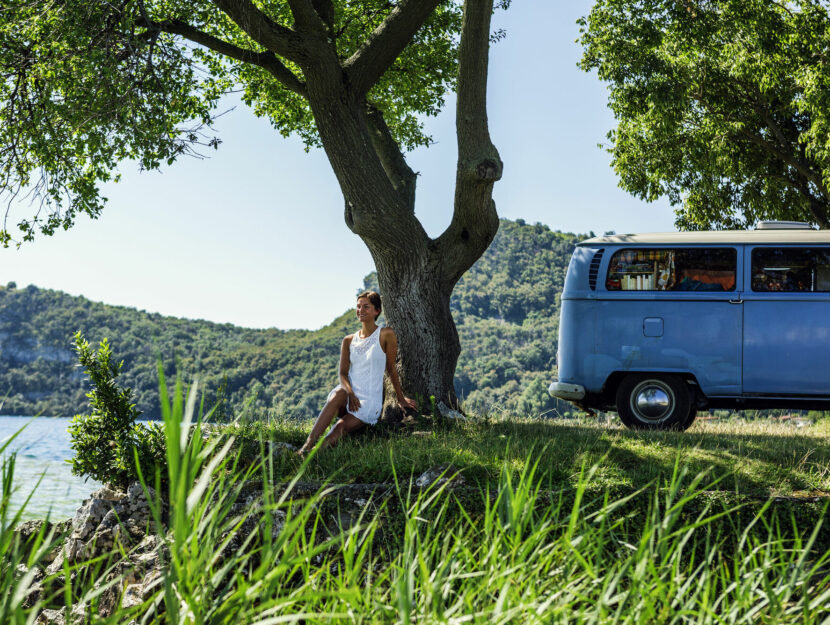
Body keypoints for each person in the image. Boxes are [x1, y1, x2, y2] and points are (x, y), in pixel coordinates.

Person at [297, 291, 417, 455]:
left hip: (368, 402)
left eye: (366, 307)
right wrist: (350, 393)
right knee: (339, 391)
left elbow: (391, 368)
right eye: (358, 306)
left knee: (341, 427)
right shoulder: (348, 340)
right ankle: (306, 446)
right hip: (348, 395)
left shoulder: (386, 334)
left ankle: (312, 456)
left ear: (377, 311)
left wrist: (400, 398)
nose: (360, 310)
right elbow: (343, 374)